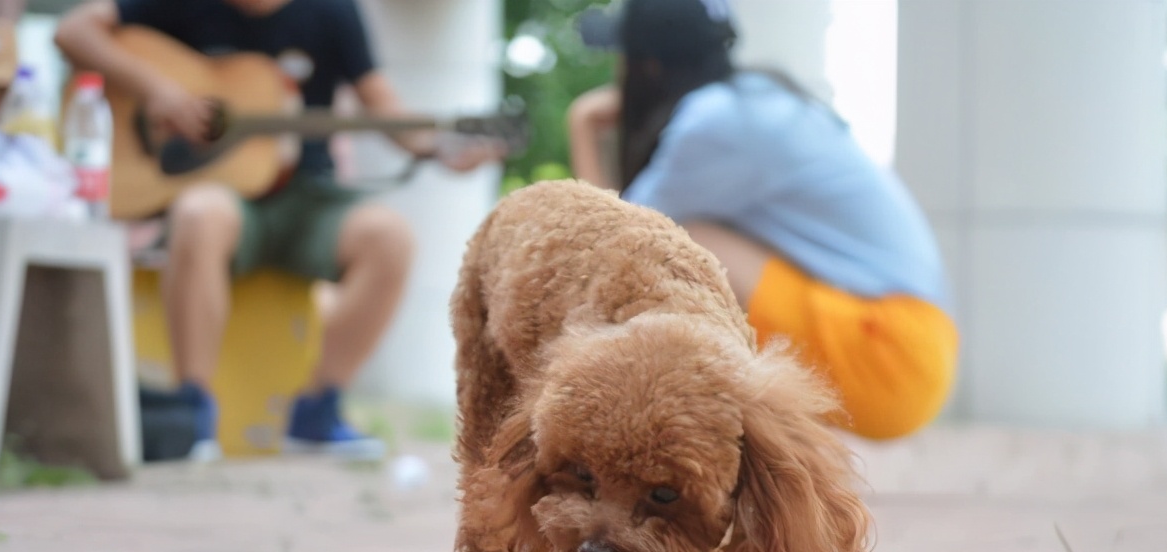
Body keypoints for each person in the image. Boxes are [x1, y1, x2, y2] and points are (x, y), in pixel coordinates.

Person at [54, 0, 505, 460]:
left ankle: (317, 410)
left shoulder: (333, 12)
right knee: (198, 215)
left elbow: (384, 107)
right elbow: (72, 31)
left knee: (390, 237)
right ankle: (192, 412)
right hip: (222, 196)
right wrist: (158, 89)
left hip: (308, 195)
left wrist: (439, 148)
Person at [568, 0, 957, 441]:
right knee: (680, 243)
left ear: (650, 66)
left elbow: (608, 238)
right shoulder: (753, 103)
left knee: (678, 244)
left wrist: (581, 124)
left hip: (891, 356)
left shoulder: (712, 124)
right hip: (918, 348)